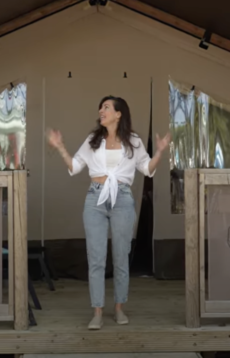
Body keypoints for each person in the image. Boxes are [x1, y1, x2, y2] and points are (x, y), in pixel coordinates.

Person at [47, 95, 170, 330]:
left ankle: (119, 308)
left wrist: (160, 152)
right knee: (96, 258)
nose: (101, 111)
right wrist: (60, 147)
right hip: (95, 198)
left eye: (106, 107)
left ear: (118, 114)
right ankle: (97, 312)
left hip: (122, 199)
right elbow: (75, 166)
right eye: (100, 107)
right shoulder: (93, 140)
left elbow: (146, 168)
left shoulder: (133, 141)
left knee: (121, 256)